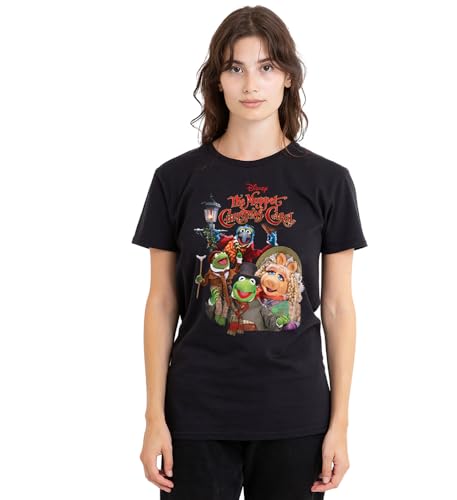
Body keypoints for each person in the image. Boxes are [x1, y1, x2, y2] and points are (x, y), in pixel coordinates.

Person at [131, 5, 368, 500]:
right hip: (195, 414)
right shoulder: (175, 179)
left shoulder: (328, 181)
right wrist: (154, 417)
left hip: (296, 412)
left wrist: (340, 423)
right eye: (235, 68)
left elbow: (338, 308)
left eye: (266, 67)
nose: (251, 84)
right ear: (217, 80)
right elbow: (161, 303)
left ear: (288, 77)